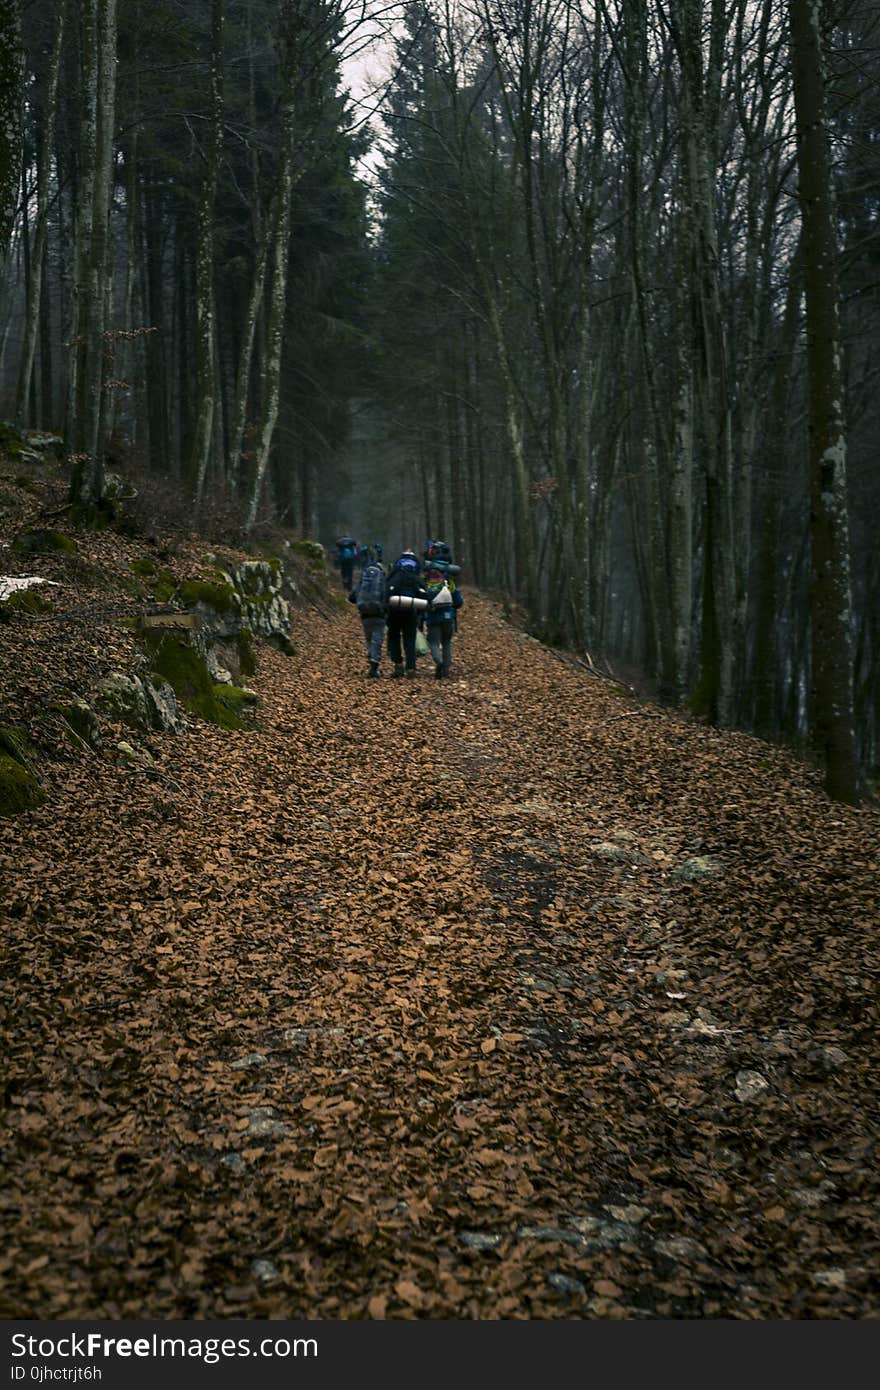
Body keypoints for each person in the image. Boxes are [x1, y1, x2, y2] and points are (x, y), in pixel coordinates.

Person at [386, 550, 428, 678]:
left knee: (393, 637)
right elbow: (424, 597)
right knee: (409, 639)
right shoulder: (416, 578)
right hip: (411, 612)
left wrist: (385, 611)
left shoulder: (394, 575)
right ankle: (411, 668)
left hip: (394, 611)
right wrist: (421, 616)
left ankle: (398, 664)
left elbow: (386, 593)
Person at [424, 556, 463, 678]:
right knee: (446, 642)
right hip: (448, 617)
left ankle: (438, 661)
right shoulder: (448, 582)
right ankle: (446, 669)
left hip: (433, 618)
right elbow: (458, 601)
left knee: (433, 642)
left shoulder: (426, 583)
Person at [348, 557, 388, 677]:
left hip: (365, 614)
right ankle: (374, 665)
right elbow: (386, 595)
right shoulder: (382, 579)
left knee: (369, 639)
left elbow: (352, 597)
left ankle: (371, 658)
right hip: (379, 614)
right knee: (377, 639)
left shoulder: (364, 579)